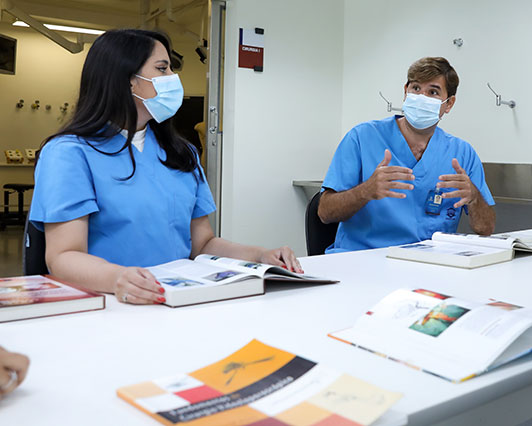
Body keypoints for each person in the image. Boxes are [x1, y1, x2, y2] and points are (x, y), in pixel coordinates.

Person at [29, 29, 301, 306]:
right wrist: (118, 278)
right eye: (162, 68)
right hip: (111, 302)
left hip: (178, 298)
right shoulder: (69, 154)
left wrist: (259, 256)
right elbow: (63, 256)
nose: (173, 78)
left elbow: (203, 245)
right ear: (128, 81)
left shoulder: (182, 153)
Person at [318, 57, 495, 253]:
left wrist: (474, 197)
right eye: (416, 88)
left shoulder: (462, 153)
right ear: (405, 92)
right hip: (361, 259)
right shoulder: (361, 138)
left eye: (433, 92)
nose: (421, 97)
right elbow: (325, 212)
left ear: (449, 104)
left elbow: (485, 229)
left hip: (428, 264)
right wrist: (365, 191)